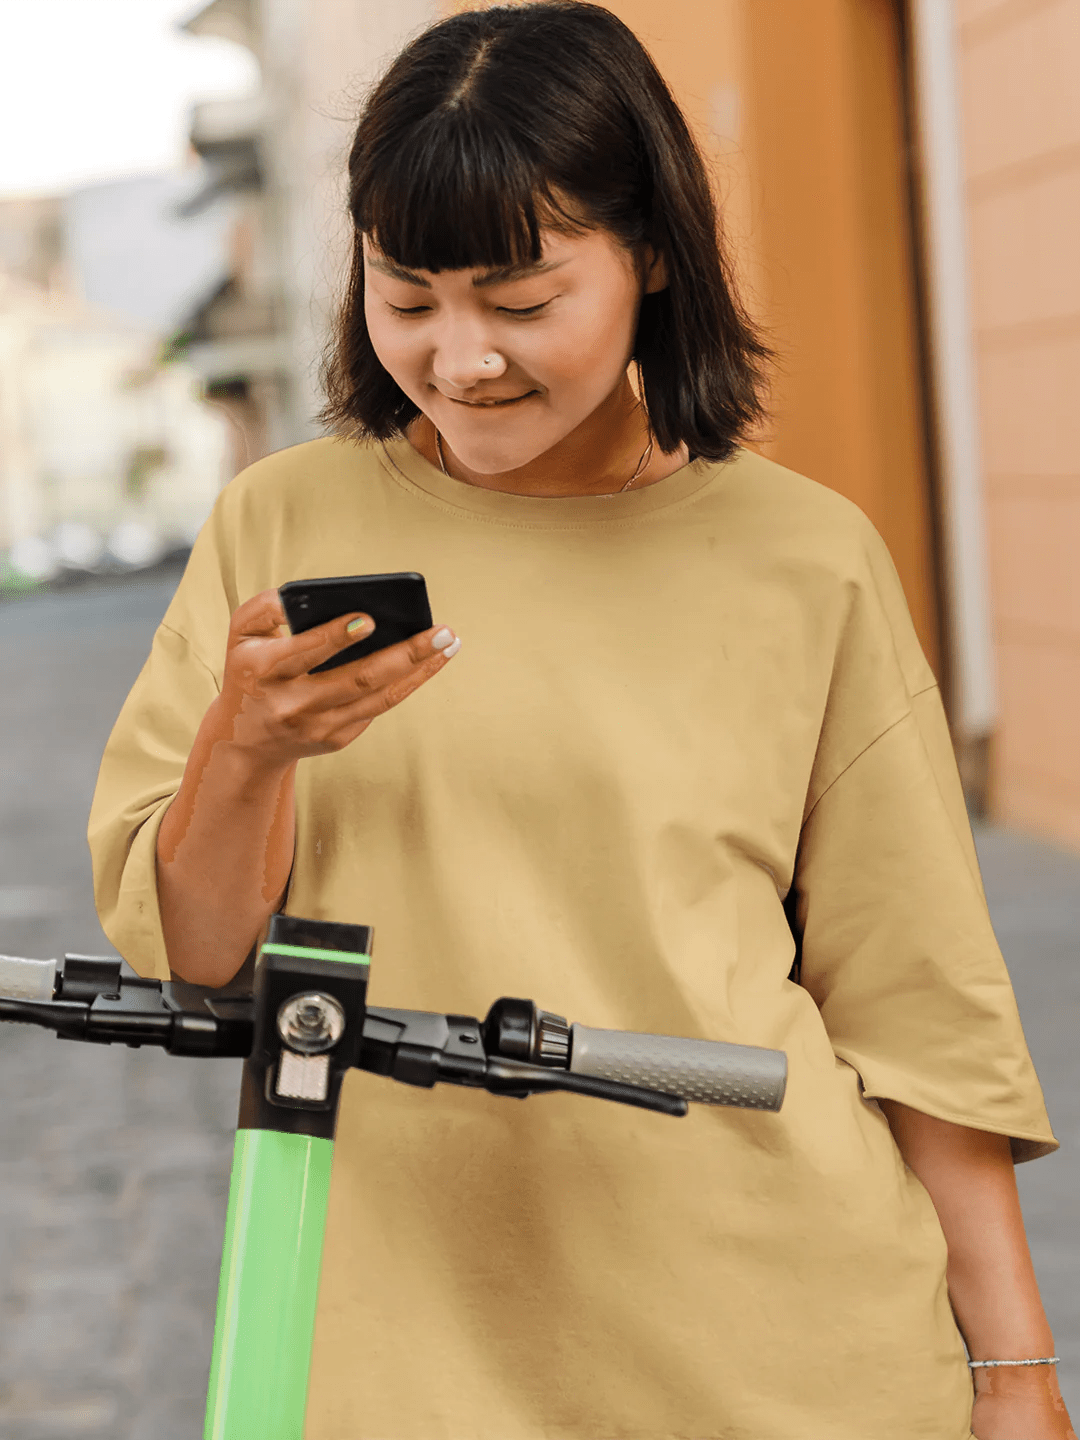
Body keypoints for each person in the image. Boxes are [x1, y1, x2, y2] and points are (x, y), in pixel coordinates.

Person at [87, 5, 1073, 1438]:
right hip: (399, 1351)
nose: (461, 356)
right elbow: (195, 954)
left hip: (783, 1340)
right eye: (406, 297)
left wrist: (1017, 1372)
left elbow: (916, 1004)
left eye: (522, 298)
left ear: (652, 255)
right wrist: (251, 748)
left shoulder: (806, 559)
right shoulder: (278, 526)